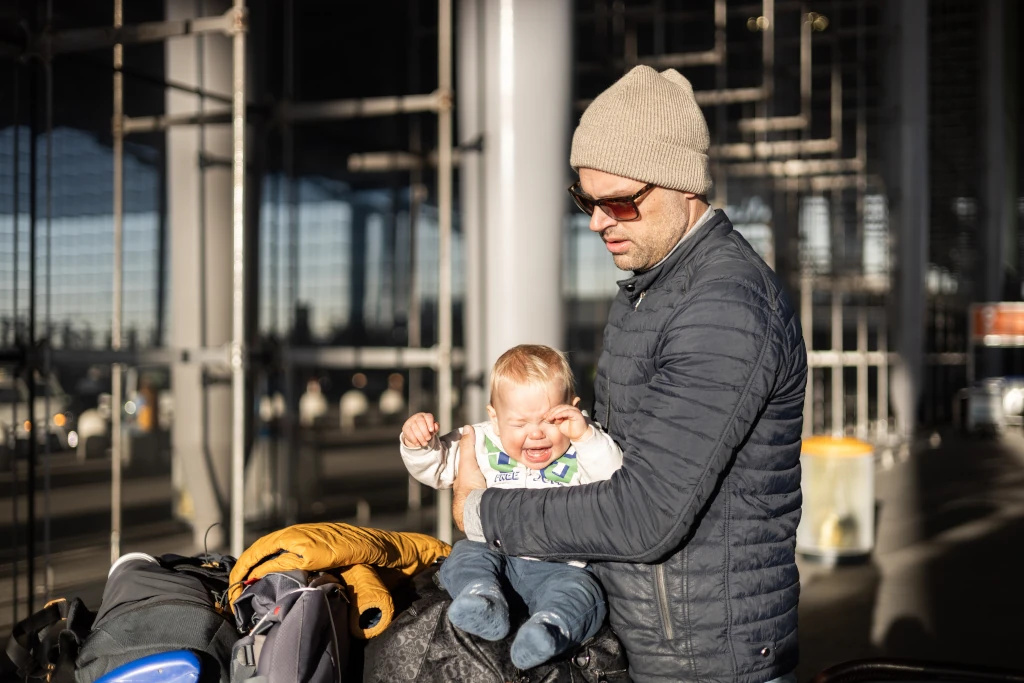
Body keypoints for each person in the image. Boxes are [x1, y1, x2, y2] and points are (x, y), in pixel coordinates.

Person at [452, 65, 808, 683]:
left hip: (704, 661)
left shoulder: (723, 307)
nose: (596, 221)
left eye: (618, 201)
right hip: (654, 641)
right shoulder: (653, 290)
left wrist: (481, 510)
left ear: (683, 185)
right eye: (585, 200)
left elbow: (643, 514)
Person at [400, 344, 623, 670]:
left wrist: (586, 437)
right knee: (464, 555)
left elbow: (615, 477)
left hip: (562, 567)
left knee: (584, 592)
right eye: (519, 423)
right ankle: (481, 598)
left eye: (550, 420)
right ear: (495, 417)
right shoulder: (480, 440)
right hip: (495, 556)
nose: (535, 434)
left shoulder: (584, 442)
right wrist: (419, 444)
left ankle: (548, 630)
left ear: (573, 408)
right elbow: (439, 467)